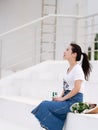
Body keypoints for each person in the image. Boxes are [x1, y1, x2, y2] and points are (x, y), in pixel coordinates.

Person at [31, 43, 92, 130]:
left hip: (74, 102)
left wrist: (62, 99)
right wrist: (59, 97)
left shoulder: (77, 69)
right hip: (66, 99)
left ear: (74, 54)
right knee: (46, 103)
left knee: (44, 105)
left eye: (67, 50)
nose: (64, 51)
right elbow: (65, 87)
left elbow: (77, 88)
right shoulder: (69, 69)